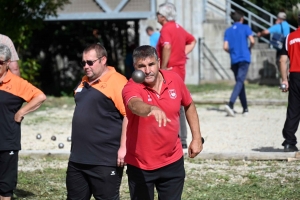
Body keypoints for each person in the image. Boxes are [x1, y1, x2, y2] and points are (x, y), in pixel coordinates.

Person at [122, 45, 203, 200]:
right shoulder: (131, 86)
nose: (147, 70)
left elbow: (189, 104)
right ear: (135, 67)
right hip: (141, 165)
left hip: (172, 161)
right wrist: (150, 108)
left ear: (159, 62)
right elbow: (134, 104)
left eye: (151, 64)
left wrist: (197, 137)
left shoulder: (174, 79)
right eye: (142, 66)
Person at [66, 43, 128, 200]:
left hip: (104, 160)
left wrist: (123, 147)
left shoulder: (118, 81)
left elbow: (129, 115)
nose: (86, 66)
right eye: (83, 63)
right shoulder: (84, 81)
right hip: (78, 159)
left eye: (90, 62)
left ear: (103, 60)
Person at [0, 44, 46, 200]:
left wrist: (21, 112)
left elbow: (40, 96)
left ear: (7, 63)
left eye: (0, 62)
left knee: (5, 189)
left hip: (7, 142)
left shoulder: (17, 83)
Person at [156, 2, 196, 148]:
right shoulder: (179, 28)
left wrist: (164, 67)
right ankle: (183, 139)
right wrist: (181, 54)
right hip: (180, 70)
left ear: (163, 17)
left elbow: (166, 46)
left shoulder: (166, 29)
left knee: (169, 103)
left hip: (170, 71)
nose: (157, 17)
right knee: (179, 103)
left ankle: (176, 138)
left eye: (158, 14)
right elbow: (192, 41)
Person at [223, 10, 255, 117]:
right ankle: (230, 104)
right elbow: (253, 40)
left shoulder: (228, 31)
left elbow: (225, 47)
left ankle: (245, 108)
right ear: (242, 18)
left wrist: (231, 52)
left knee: (239, 83)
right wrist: (249, 48)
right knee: (240, 82)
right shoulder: (246, 27)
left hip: (234, 59)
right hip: (244, 58)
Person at [279, 14, 300, 152]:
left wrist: (285, 80)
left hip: (296, 75)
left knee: (293, 109)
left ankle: (289, 142)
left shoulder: (289, 38)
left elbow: (282, 60)